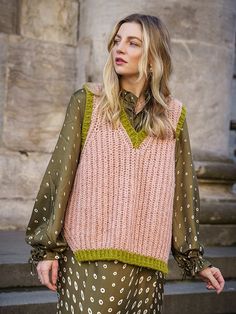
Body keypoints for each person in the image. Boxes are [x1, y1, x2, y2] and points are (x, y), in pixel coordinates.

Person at [25, 13, 225, 314]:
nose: (120, 48)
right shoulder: (88, 101)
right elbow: (59, 176)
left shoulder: (173, 118)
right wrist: (47, 249)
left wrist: (195, 259)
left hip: (146, 265)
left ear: (152, 56)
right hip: (88, 258)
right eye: (117, 41)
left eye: (133, 43)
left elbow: (183, 193)